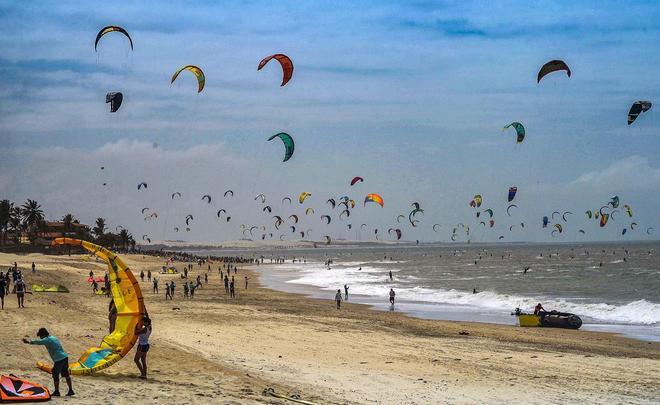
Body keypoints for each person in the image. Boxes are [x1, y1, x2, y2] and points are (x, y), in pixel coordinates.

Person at [23, 328, 74, 396]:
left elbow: (38, 342)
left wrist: (29, 342)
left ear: (43, 334)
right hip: (65, 357)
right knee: (66, 375)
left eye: (40, 336)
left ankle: (56, 391)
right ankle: (70, 390)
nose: (40, 337)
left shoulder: (47, 340)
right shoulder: (54, 338)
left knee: (55, 374)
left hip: (59, 359)